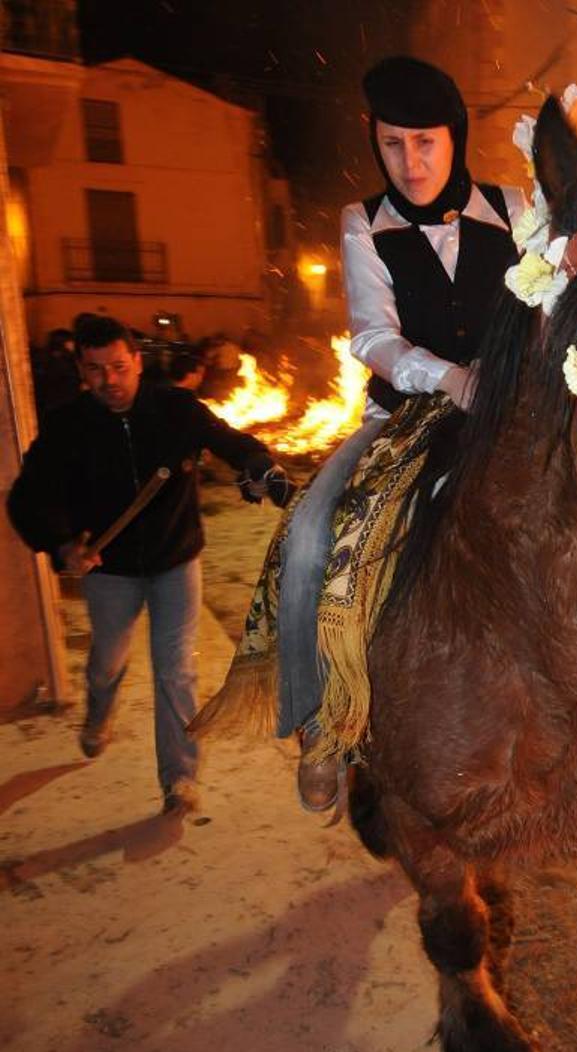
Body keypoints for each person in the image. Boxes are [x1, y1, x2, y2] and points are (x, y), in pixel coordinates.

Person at [278, 55, 522, 812]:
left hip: (508, 415)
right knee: (309, 536)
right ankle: (321, 722)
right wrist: (450, 378)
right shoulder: (363, 223)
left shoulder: (516, 209)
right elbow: (372, 336)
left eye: (425, 143)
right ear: (374, 142)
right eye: (392, 144)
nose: (410, 164)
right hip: (401, 416)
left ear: (455, 137)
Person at [6, 315, 288, 815]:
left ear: (137, 361)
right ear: (82, 371)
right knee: (106, 663)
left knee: (176, 670)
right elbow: (29, 497)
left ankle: (179, 777)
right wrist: (64, 546)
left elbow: (230, 442)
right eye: (96, 370)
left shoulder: (175, 409)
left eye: (118, 366)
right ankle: (99, 714)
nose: (109, 380)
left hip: (175, 560)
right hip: (110, 570)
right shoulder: (67, 426)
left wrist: (261, 466)